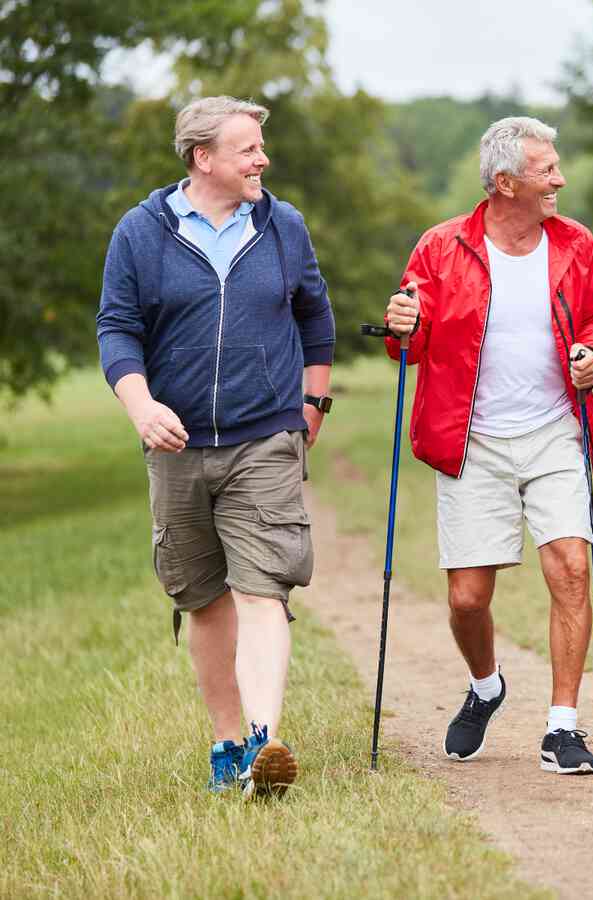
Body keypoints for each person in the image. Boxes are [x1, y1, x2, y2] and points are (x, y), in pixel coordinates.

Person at [96, 96, 335, 795]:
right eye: (248, 149)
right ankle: (227, 745)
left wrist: (312, 403)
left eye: (261, 147)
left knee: (264, 589)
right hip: (177, 446)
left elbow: (315, 316)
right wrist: (141, 406)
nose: (263, 159)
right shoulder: (141, 232)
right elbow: (117, 328)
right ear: (203, 157)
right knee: (203, 599)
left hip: (264, 437)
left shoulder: (283, 226)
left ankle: (264, 741)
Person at [383, 116, 593, 774]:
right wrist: (403, 324)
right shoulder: (441, 247)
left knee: (571, 566)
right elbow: (410, 343)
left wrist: (592, 355)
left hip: (554, 431)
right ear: (506, 182)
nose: (559, 178)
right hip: (471, 439)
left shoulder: (576, 244)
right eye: (547, 170)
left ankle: (562, 728)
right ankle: (486, 686)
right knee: (467, 599)